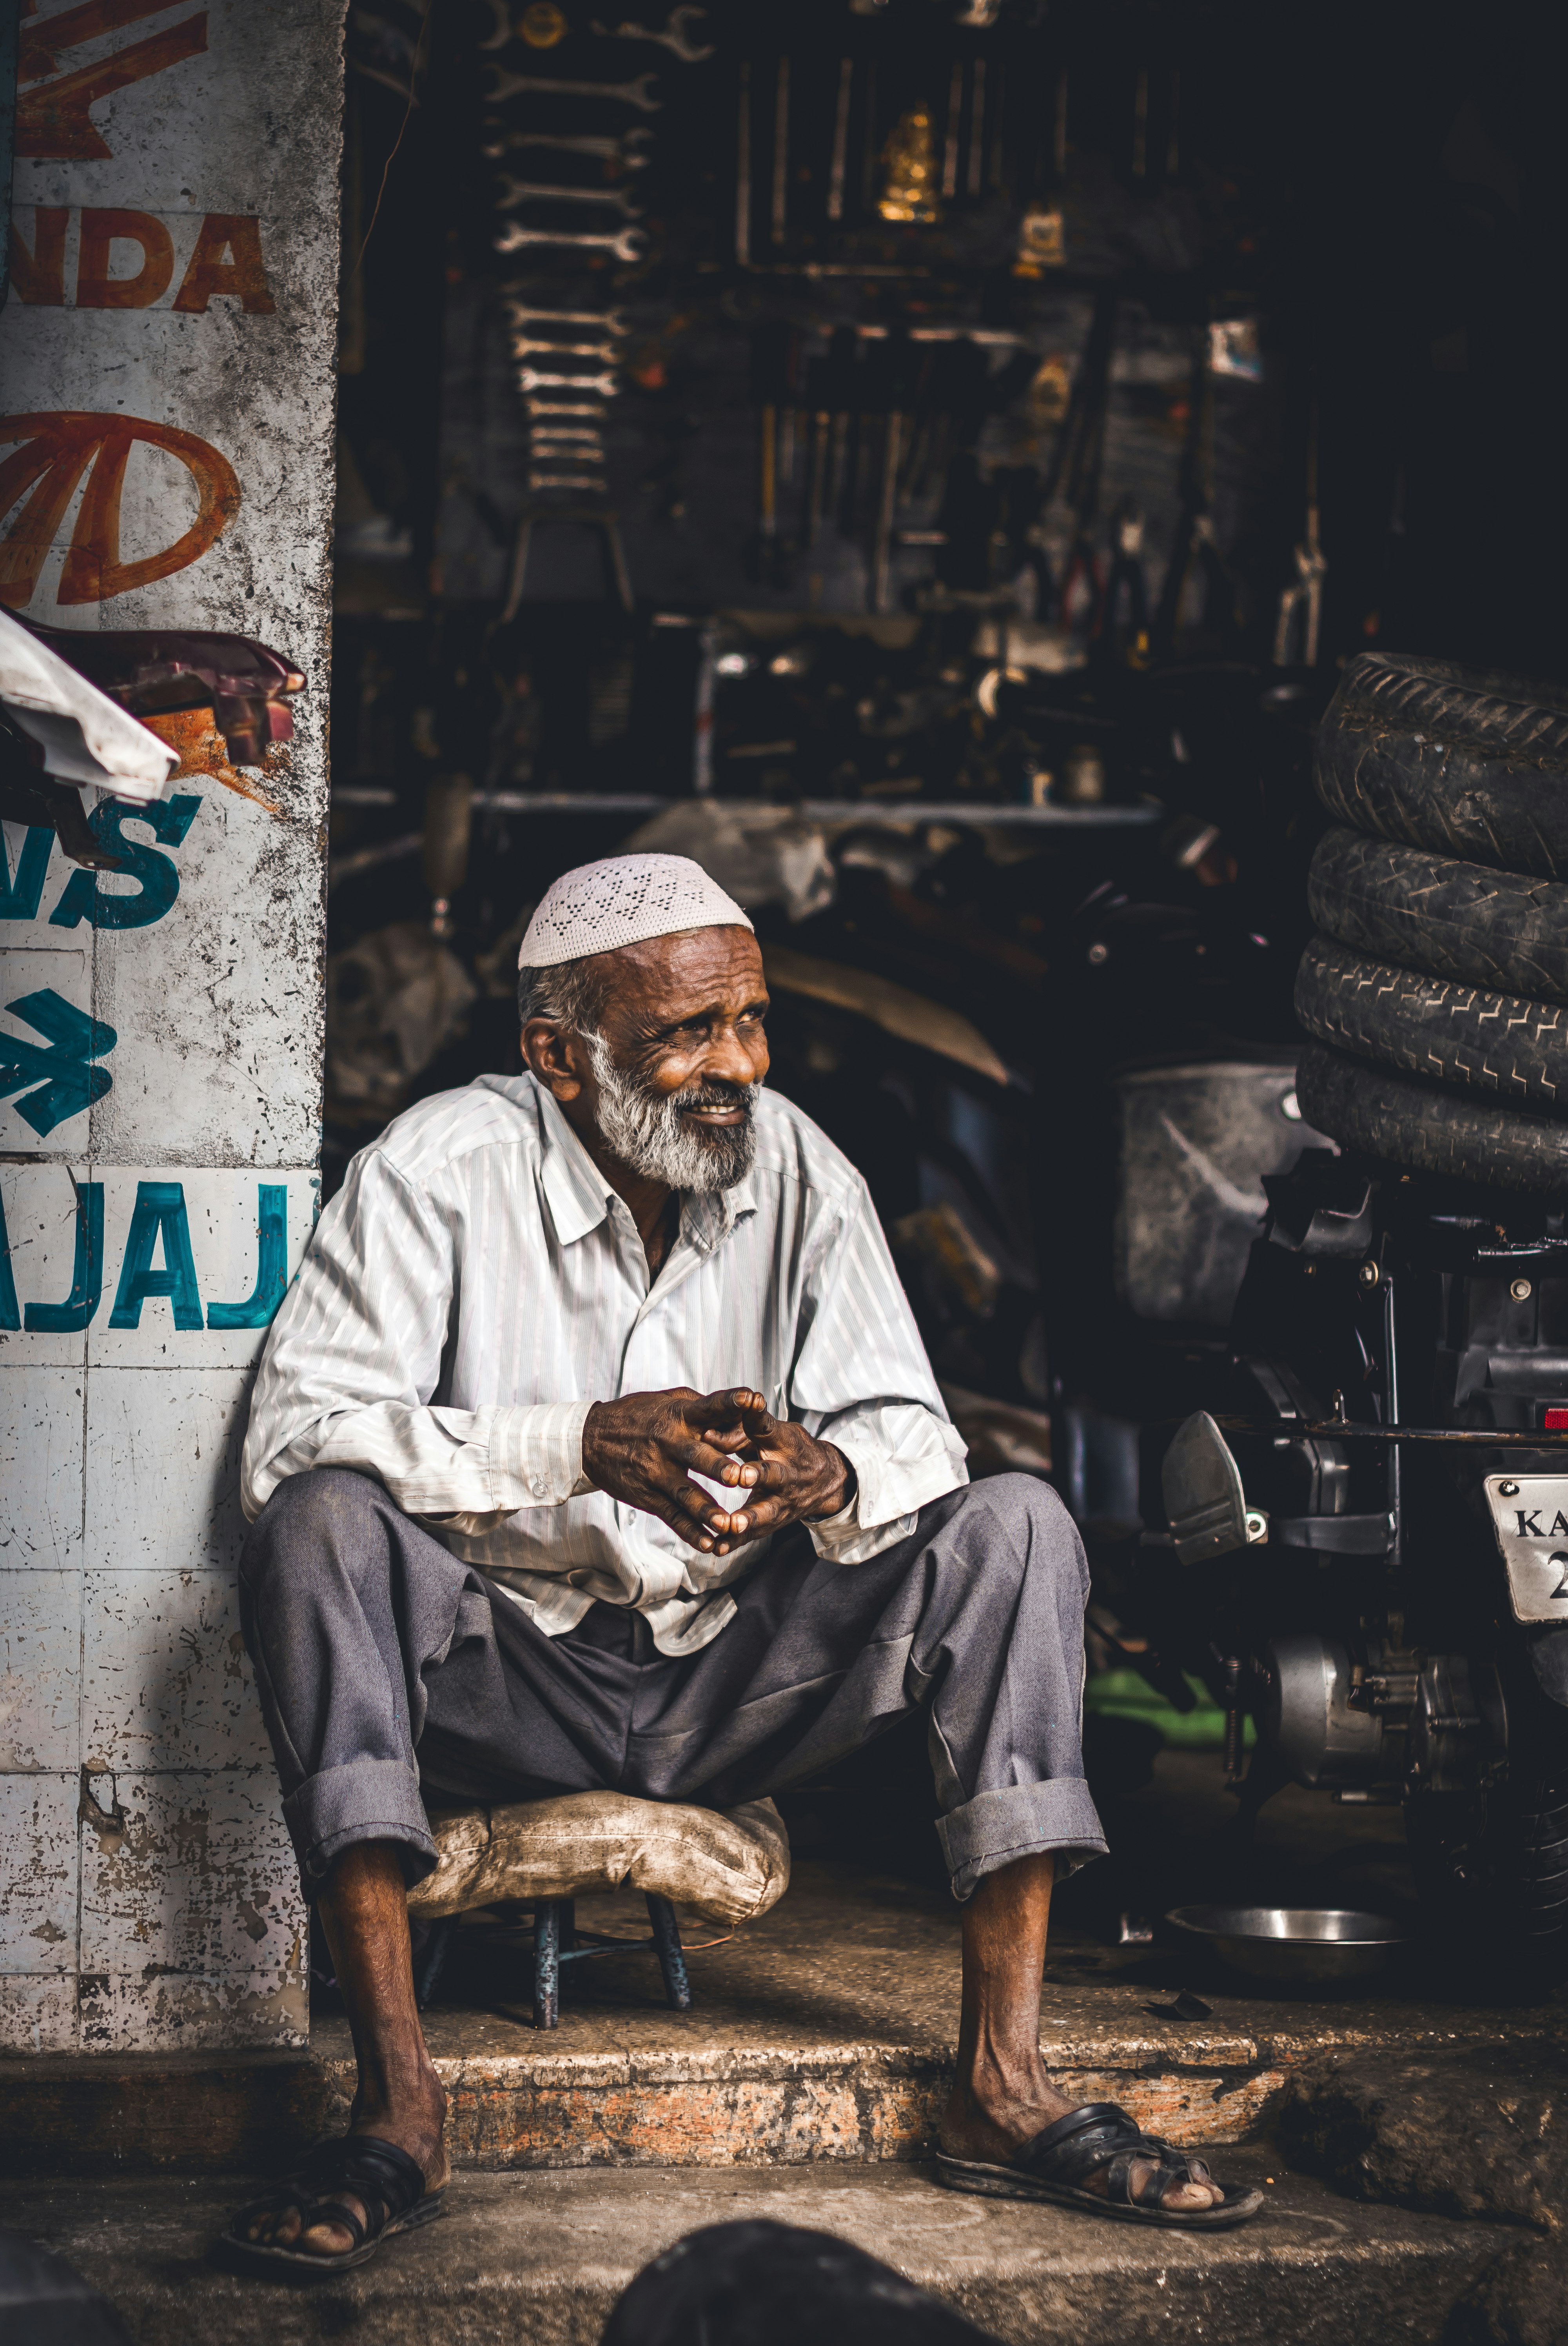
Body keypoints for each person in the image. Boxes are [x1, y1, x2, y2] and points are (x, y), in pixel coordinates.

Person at [225, 853, 1260, 2274]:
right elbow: (293, 1443)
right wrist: (579, 1444)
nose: (737, 1068)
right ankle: (398, 2109)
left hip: (730, 1680)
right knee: (319, 1530)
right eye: (689, 1035)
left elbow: (914, 1432)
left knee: (1017, 1526)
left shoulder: (797, 1168)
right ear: (559, 1057)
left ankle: (1001, 2086)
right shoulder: (437, 1171)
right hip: (505, 1676)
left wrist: (822, 1477)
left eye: (751, 1023)